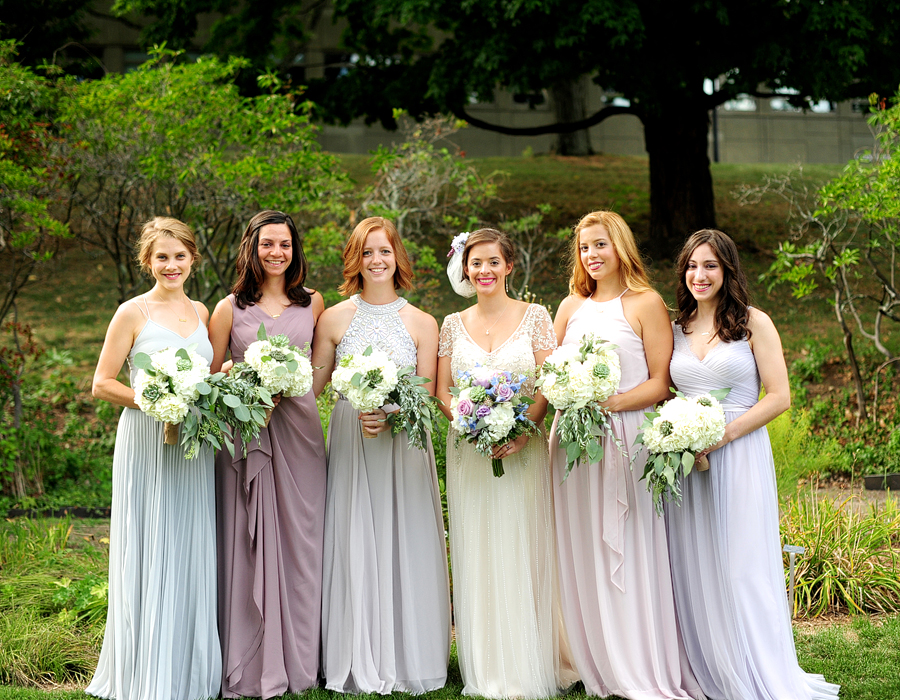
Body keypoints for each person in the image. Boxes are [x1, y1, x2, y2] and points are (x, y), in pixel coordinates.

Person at [665, 229, 840, 700]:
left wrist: (722, 435)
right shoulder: (674, 326)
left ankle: (758, 670)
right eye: (692, 266)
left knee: (741, 565)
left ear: (728, 271)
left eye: (710, 267)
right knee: (693, 563)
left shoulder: (753, 324)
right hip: (685, 459)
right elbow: (666, 391)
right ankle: (709, 667)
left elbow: (780, 397)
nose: (699, 276)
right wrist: (676, 435)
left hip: (738, 454)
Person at [549, 211, 702, 700]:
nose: (592, 256)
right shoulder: (570, 306)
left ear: (619, 246)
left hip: (625, 438)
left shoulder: (645, 303)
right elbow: (553, 373)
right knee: (581, 549)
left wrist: (607, 403)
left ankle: (634, 663)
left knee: (628, 546)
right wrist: (569, 398)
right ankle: (593, 659)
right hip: (572, 445)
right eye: (584, 247)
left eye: (600, 245)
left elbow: (660, 382)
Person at [436, 228, 578, 699]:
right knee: (478, 547)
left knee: (524, 544)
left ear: (509, 267)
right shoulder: (451, 324)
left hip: (525, 451)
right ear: (464, 267)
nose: (484, 271)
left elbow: (549, 381)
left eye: (493, 262)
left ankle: (527, 660)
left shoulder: (535, 315)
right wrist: (470, 422)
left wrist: (523, 430)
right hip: (471, 455)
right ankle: (487, 663)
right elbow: (441, 392)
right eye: (476, 263)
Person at [311, 216, 450, 694]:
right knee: (353, 537)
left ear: (398, 258)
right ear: (355, 259)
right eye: (367, 252)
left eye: (384, 252)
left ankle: (411, 656)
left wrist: (392, 415)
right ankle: (353, 654)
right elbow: (312, 388)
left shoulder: (422, 323)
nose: (376, 261)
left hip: (405, 442)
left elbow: (429, 397)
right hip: (353, 437)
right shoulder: (332, 319)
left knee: (405, 538)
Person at [87, 217, 221, 700]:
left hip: (193, 445)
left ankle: (188, 670)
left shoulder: (202, 311)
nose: (171, 265)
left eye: (179, 256)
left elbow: (205, 373)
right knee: (151, 540)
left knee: (189, 542)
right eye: (162, 257)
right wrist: (155, 400)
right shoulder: (132, 312)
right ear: (148, 261)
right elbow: (102, 383)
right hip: (147, 441)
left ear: (192, 259)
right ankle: (146, 672)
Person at [208, 210, 327, 699]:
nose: (277, 253)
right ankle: (250, 663)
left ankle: (303, 661)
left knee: (304, 546)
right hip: (246, 436)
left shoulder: (314, 302)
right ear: (251, 249)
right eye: (267, 245)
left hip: (300, 434)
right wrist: (251, 389)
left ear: (295, 249)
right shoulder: (229, 308)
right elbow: (213, 376)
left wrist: (292, 388)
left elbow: (321, 366)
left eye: (285, 244)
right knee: (245, 545)